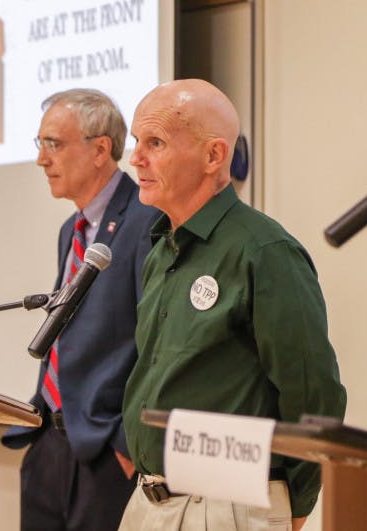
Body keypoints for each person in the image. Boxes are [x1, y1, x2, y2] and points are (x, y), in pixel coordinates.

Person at [119, 79, 347, 531]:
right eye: (136, 143)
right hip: (149, 501)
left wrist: (294, 505)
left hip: (227, 508)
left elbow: (312, 394)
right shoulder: (162, 250)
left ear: (213, 156)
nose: (136, 159)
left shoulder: (264, 251)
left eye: (155, 143)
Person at [2, 89, 159, 530]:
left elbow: (155, 339)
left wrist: (128, 445)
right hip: (49, 442)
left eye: (54, 143)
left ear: (100, 149)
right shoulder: (70, 229)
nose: (42, 160)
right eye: (40, 144)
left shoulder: (147, 220)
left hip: (107, 454)